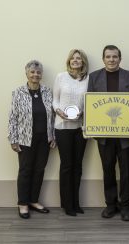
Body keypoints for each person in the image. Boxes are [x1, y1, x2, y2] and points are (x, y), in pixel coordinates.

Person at [87, 45, 129, 221]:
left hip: (126, 135)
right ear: (103, 59)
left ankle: (125, 205)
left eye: (115, 57)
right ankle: (110, 204)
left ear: (120, 58)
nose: (111, 60)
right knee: (108, 169)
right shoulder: (94, 77)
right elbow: (90, 105)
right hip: (104, 136)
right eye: (108, 57)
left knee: (127, 171)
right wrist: (88, 126)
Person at [8, 60, 56, 219]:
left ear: (41, 74)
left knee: (39, 169)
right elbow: (13, 118)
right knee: (25, 170)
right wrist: (13, 139)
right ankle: (23, 203)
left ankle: (34, 200)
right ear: (27, 74)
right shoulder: (18, 92)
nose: (36, 75)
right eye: (32, 72)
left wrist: (53, 136)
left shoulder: (48, 92)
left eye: (38, 72)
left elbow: (53, 116)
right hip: (25, 138)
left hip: (44, 139)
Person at [53, 49, 89, 216]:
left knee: (78, 165)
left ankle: (76, 202)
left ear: (83, 62)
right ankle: (67, 204)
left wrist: (84, 112)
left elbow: (90, 101)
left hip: (80, 127)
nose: (75, 60)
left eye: (78, 58)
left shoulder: (88, 79)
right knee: (67, 165)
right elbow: (55, 100)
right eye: (73, 58)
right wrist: (58, 111)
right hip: (63, 126)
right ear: (69, 61)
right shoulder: (61, 77)